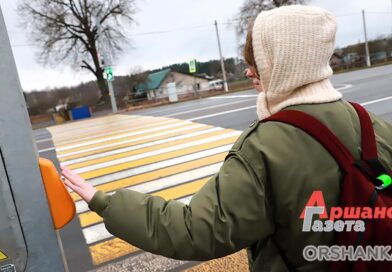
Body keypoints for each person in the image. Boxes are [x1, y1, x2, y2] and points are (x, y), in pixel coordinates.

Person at [62, 5, 392, 271]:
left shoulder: (265, 147)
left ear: (287, 64)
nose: (249, 71)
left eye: (258, 62)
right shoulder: (372, 123)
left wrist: (103, 201)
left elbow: (196, 231)